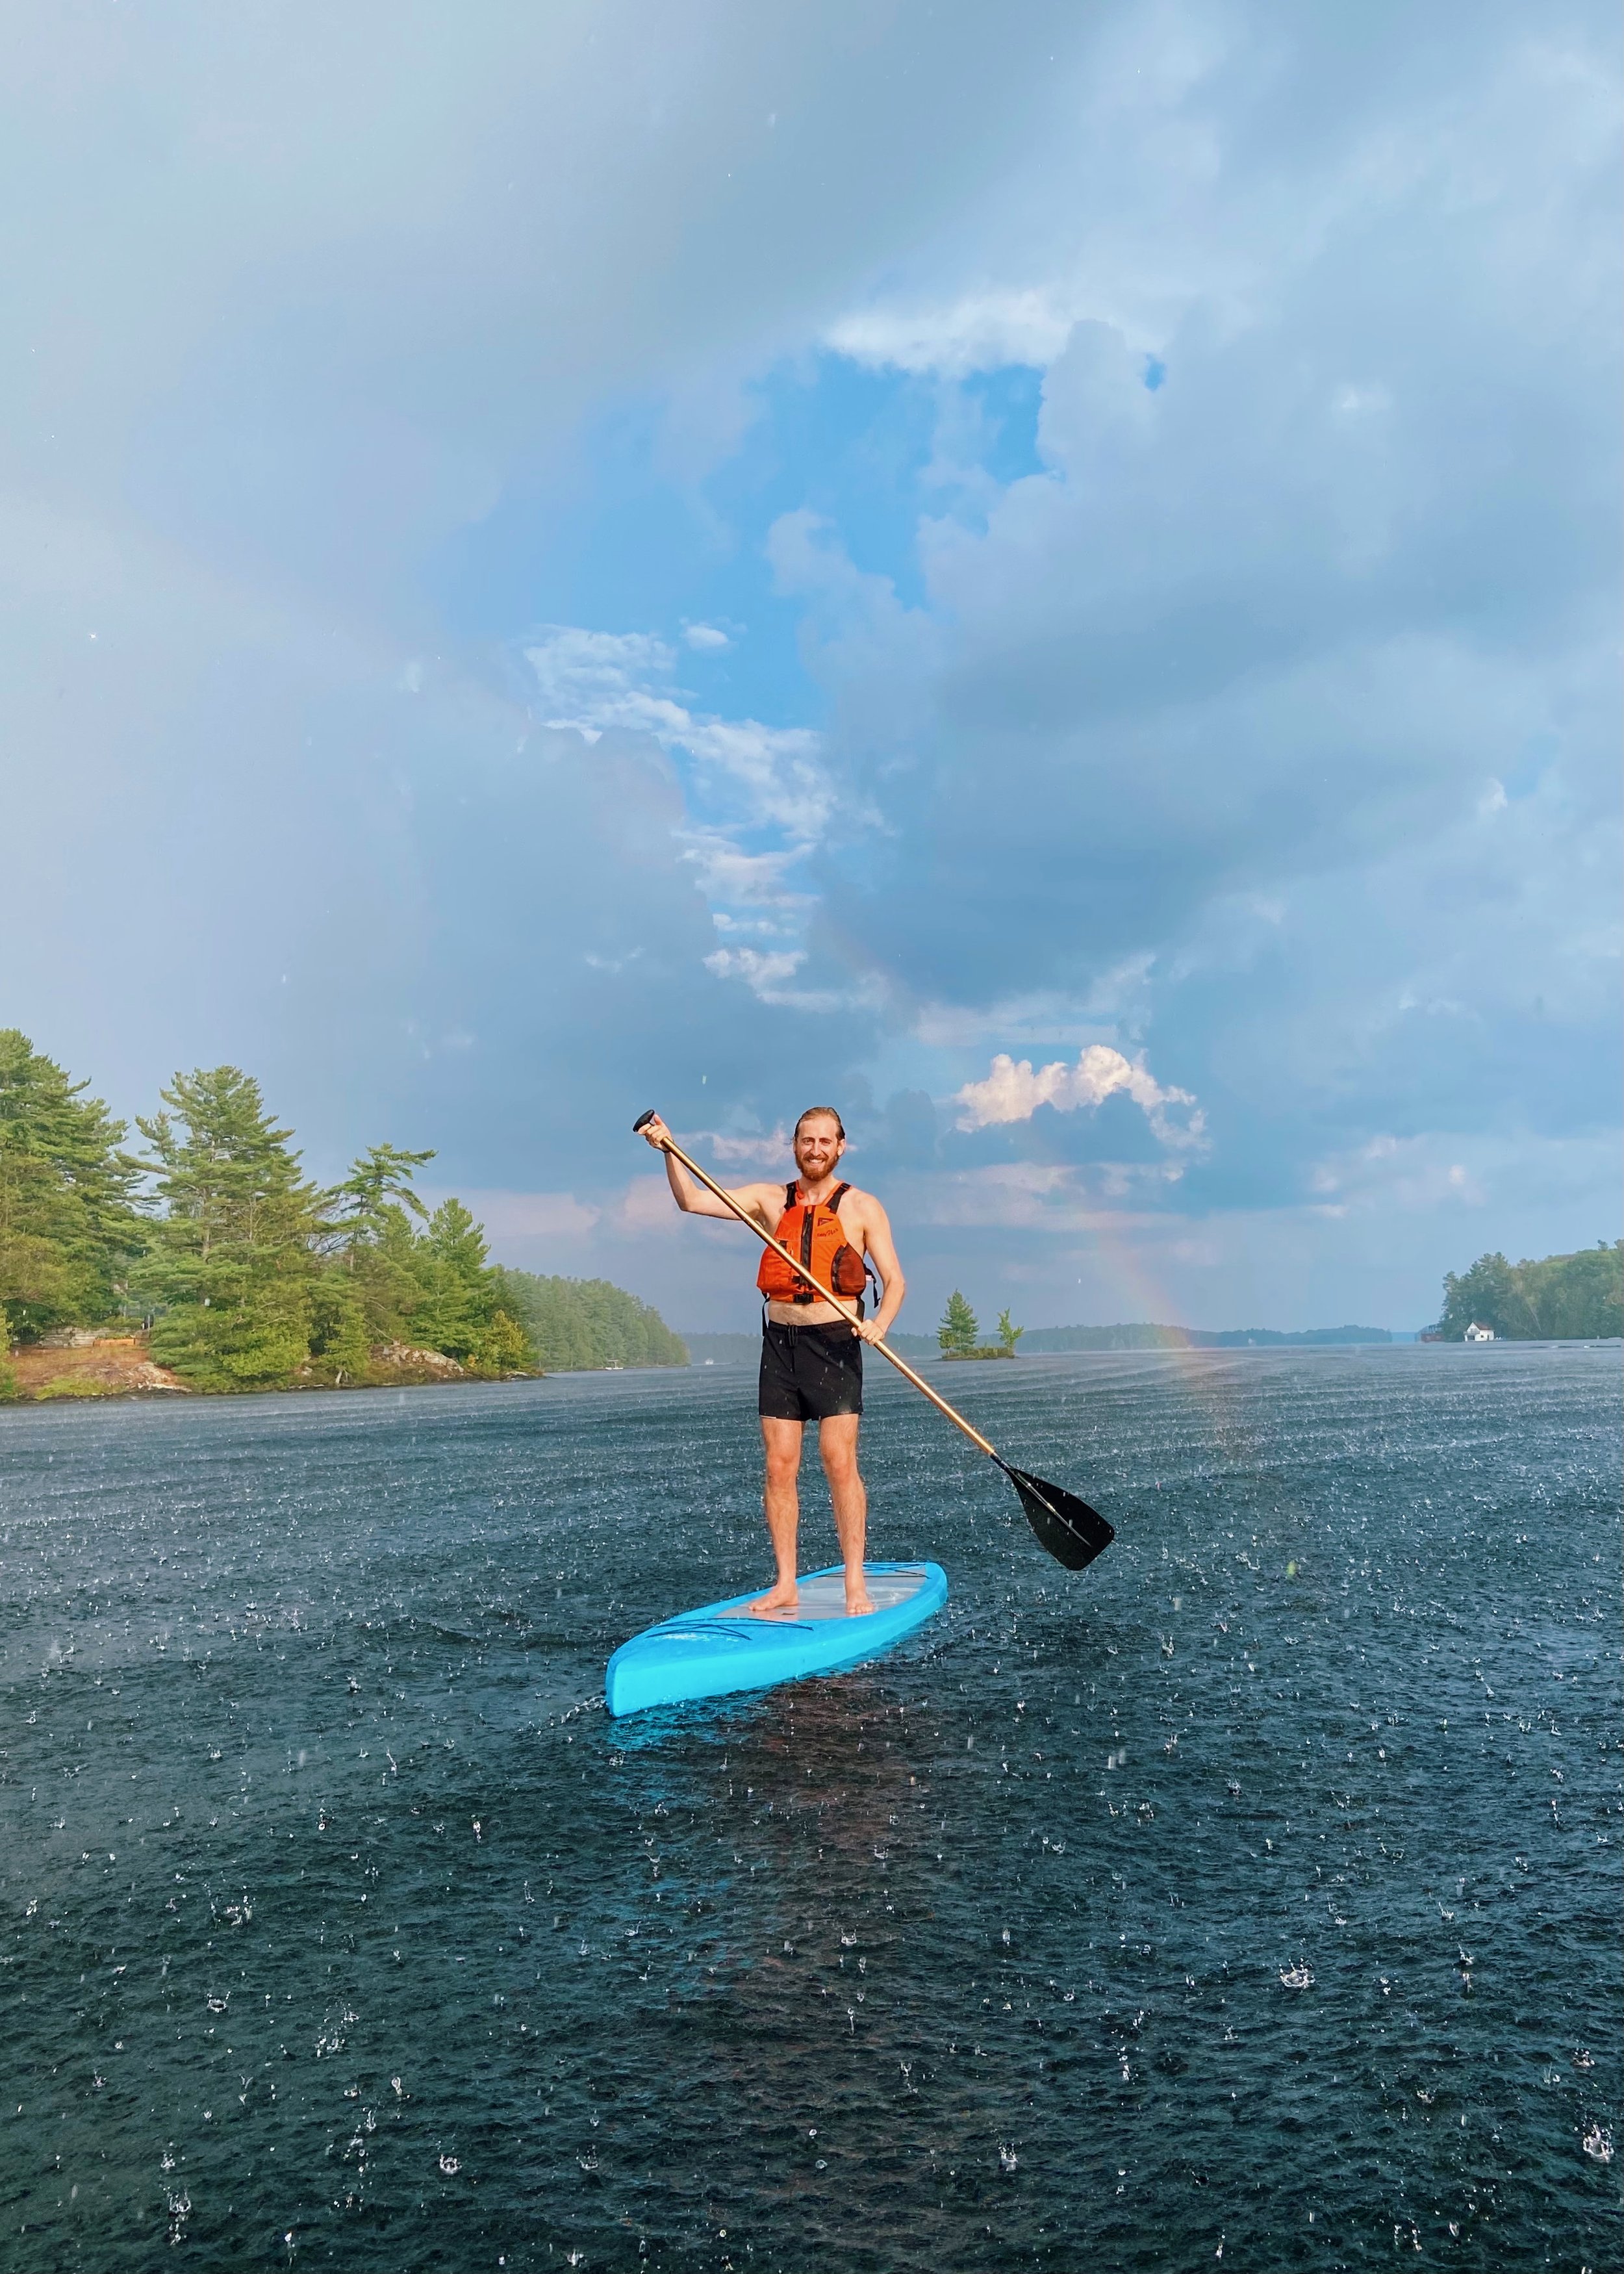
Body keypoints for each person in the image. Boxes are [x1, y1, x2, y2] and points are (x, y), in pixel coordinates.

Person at [637, 1106, 906, 1617]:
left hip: (834, 1344)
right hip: (780, 1344)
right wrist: (669, 1151)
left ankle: (855, 1584)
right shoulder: (768, 1199)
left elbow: (895, 1282)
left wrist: (881, 1323)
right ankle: (786, 1584)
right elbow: (691, 1200)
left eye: (826, 1141)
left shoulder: (864, 1208)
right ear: (795, 1145)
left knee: (838, 1461)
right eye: (807, 1141)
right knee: (779, 1467)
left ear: (841, 1146)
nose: (816, 1149)